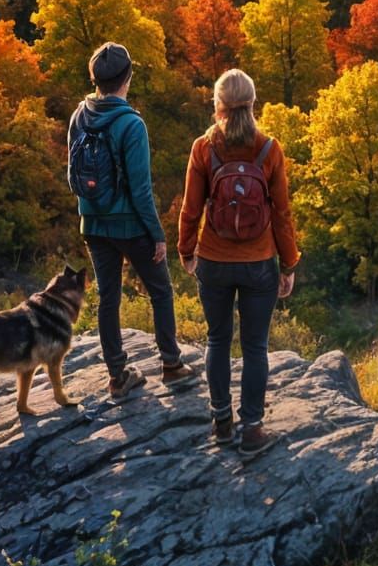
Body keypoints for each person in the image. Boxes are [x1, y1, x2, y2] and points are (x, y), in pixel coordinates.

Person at [177, 68, 300, 458]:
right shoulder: (269, 148)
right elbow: (282, 213)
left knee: (217, 340)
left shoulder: (203, 147)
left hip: (213, 259)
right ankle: (252, 430)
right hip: (259, 262)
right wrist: (289, 264)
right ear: (253, 102)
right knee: (255, 347)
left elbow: (191, 209)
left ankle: (221, 422)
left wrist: (186, 250)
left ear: (218, 105)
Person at [67, 41, 198, 398]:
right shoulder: (131, 124)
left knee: (109, 297)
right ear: (128, 77)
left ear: (95, 79)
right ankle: (171, 365)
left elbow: (73, 175)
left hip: (92, 223)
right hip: (131, 225)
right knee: (161, 291)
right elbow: (141, 190)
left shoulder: (79, 116)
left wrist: (90, 213)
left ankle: (117, 376)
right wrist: (157, 234)